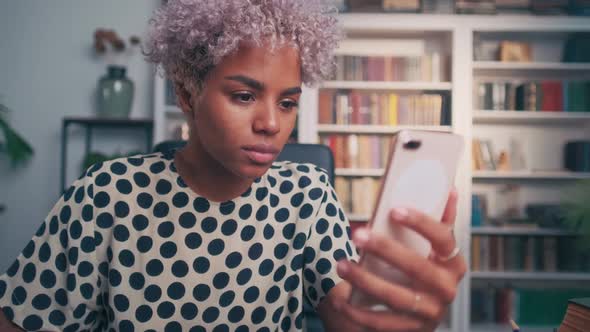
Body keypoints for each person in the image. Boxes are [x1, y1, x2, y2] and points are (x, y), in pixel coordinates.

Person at [0, 0, 466, 331]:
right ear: (187, 95)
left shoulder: (307, 194)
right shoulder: (108, 193)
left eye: (287, 103)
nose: (270, 123)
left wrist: (400, 313)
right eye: (244, 96)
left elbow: (352, 320)